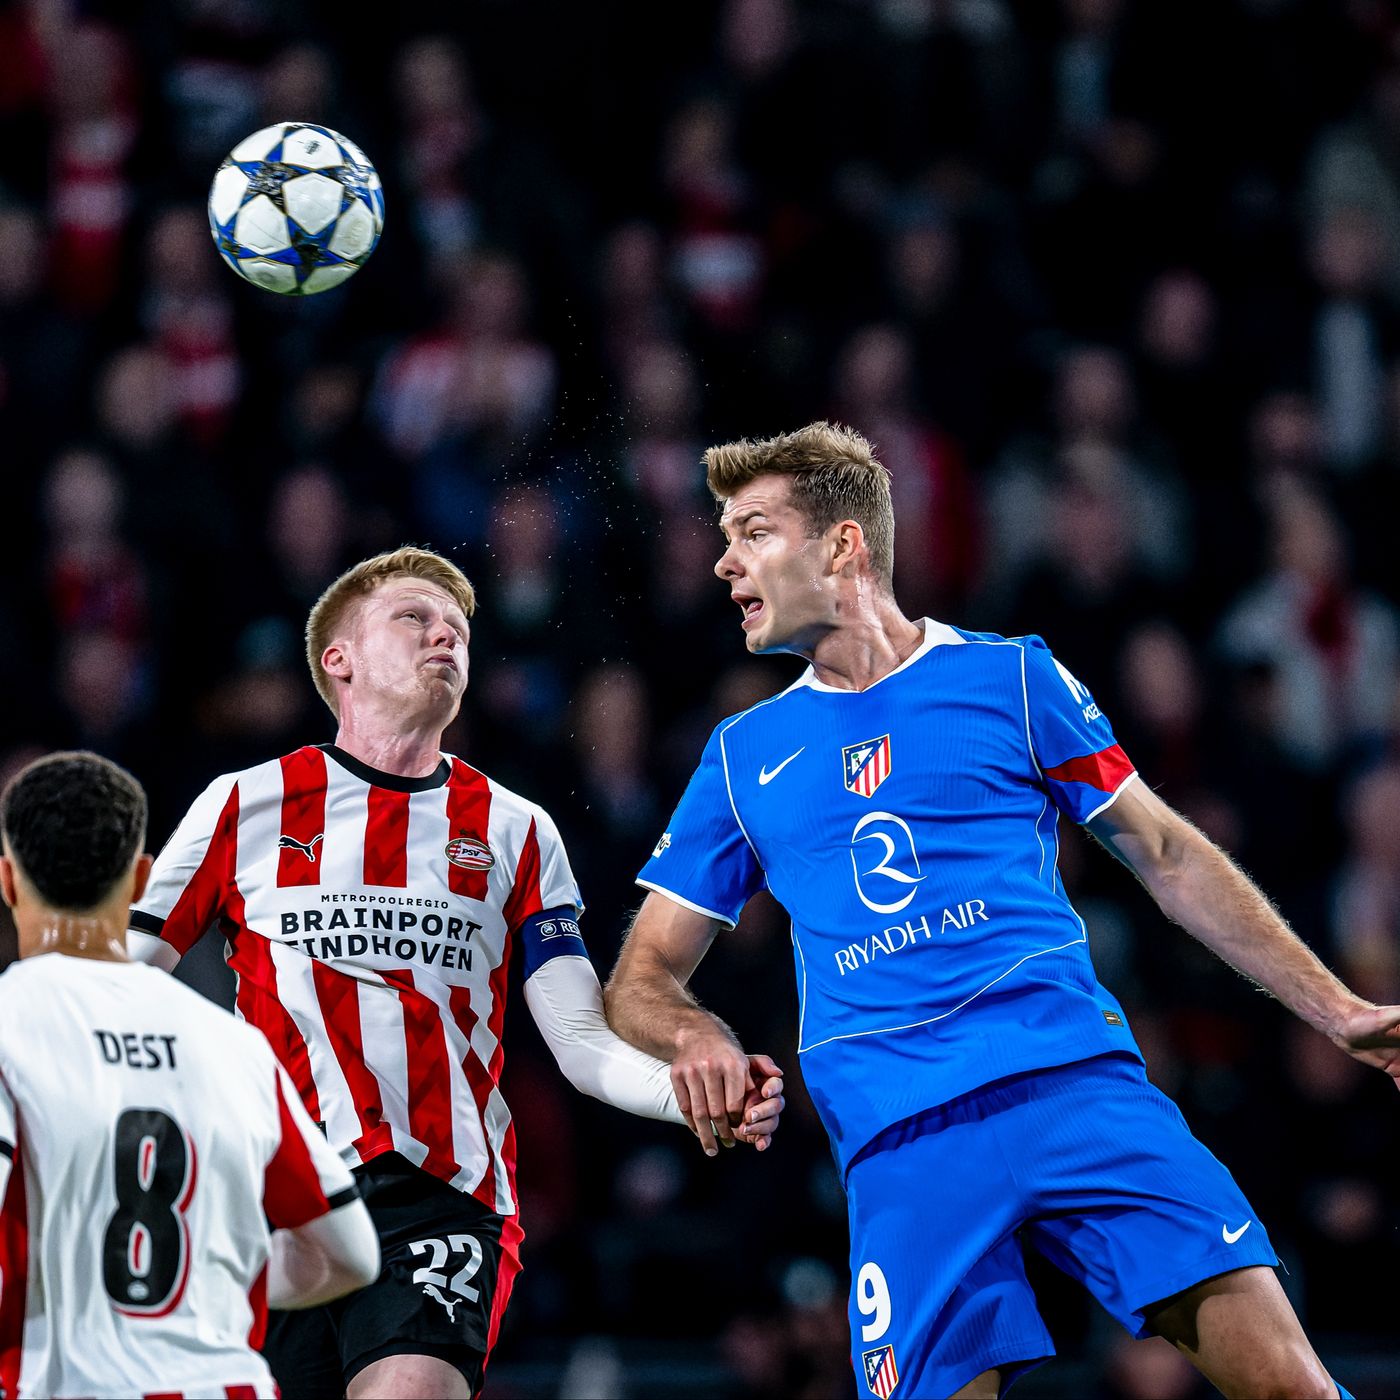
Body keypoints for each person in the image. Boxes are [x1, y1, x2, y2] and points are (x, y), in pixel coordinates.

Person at [603, 422, 1398, 1399]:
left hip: (1072, 1084)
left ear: (842, 545)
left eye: (753, 532)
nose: (724, 560)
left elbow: (1164, 850)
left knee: (1289, 1385)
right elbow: (639, 977)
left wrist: (1338, 1008)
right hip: (899, 1144)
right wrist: (694, 1036)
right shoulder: (739, 754)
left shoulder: (1012, 676)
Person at [126, 546, 784, 1400]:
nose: (446, 635)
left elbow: (581, 1042)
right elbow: (121, 979)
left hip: (439, 1197)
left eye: (460, 630)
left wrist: (690, 1094)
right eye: (415, 617)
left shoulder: (518, 830)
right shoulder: (241, 803)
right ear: (340, 659)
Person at [0, 750, 379, 1400]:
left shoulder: (11, 1023)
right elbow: (352, 1254)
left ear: (8, 882)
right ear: (142, 879)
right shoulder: (234, 1046)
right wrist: (219, 1276)